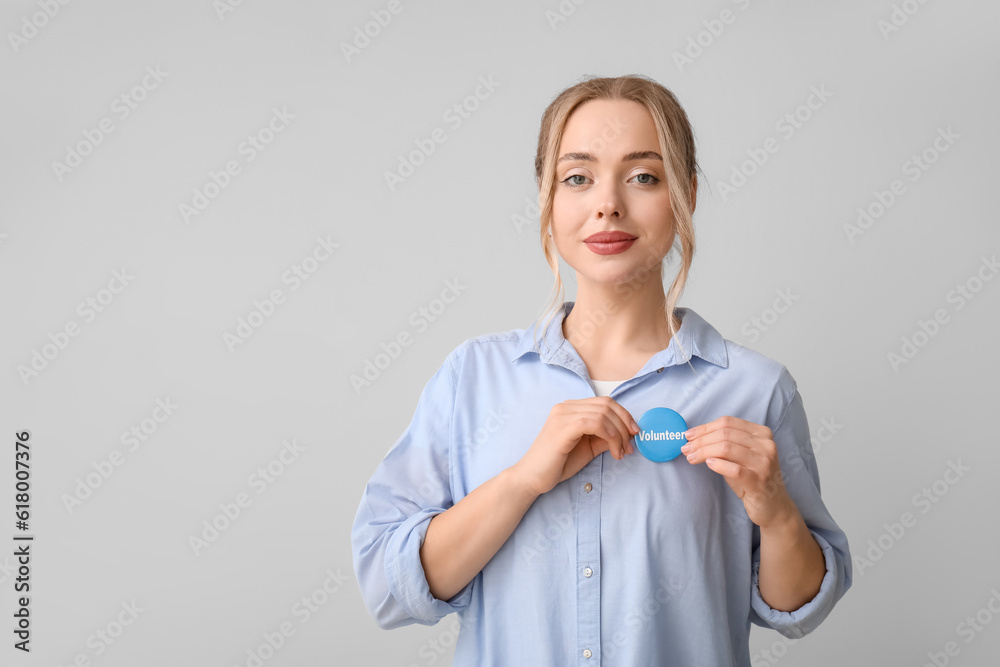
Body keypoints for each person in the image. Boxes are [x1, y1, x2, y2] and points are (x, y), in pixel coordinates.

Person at [351, 74, 852, 665]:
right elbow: (387, 590)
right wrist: (522, 481)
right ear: (548, 198)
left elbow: (797, 610)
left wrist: (776, 513)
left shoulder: (756, 388)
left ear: (685, 194)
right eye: (578, 178)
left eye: (643, 176)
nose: (607, 203)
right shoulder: (473, 379)